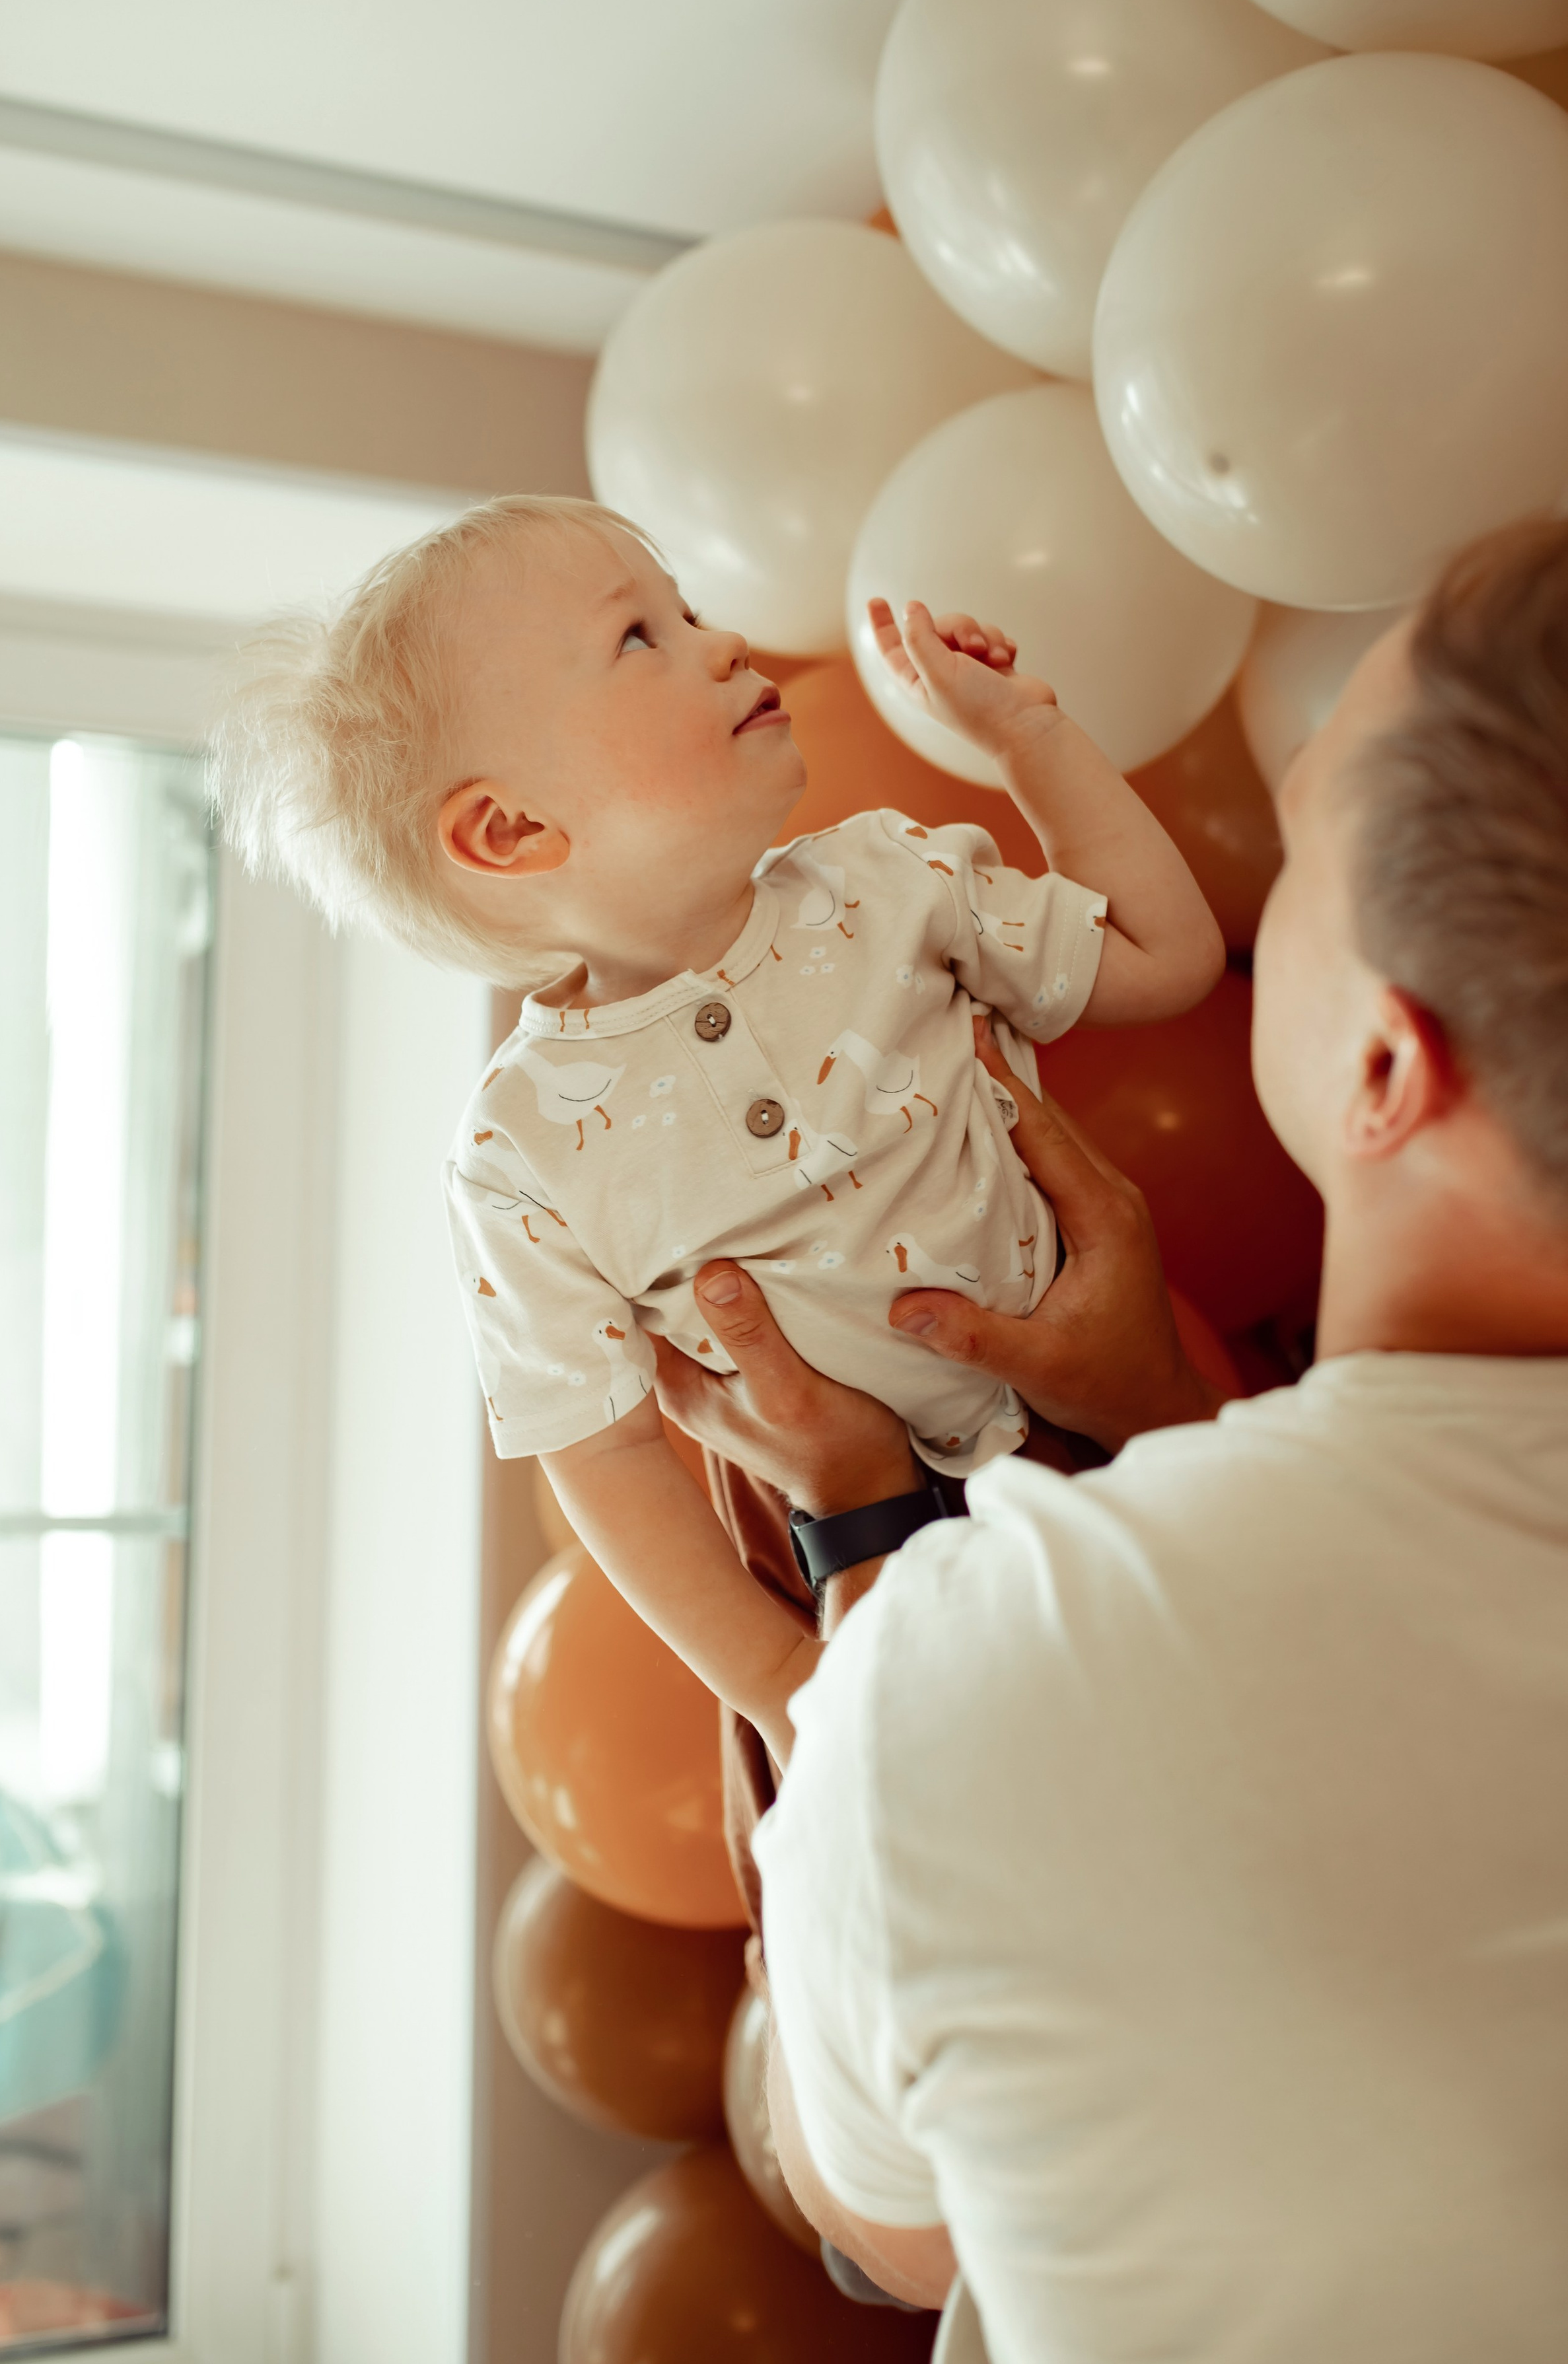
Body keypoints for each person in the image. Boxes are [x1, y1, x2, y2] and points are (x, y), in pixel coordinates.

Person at [656, 517, 1568, 2355]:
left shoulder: (952, 1682)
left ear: (1386, 1067)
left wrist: (853, 1551)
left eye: (1301, 838)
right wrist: (1164, 1413)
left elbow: (886, 2228)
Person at [209, 493, 1221, 1773]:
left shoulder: (891, 881)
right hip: (828, 1570)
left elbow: (1164, 955)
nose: (726, 639)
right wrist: (783, 1682)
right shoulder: (517, 1153)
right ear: (511, 830)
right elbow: (602, 1449)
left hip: (1089, 1460)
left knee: (1189, 1755)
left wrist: (1028, 743)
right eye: (641, 635)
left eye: (686, 608)